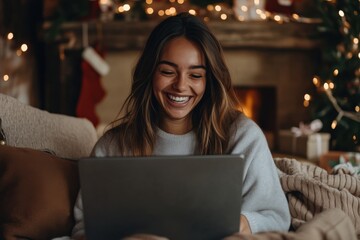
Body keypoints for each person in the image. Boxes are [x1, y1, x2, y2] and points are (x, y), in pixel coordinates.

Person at [71, 12, 291, 239]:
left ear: (209, 80)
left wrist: (244, 223)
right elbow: (84, 227)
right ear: (150, 73)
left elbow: (277, 217)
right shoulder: (113, 147)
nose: (180, 86)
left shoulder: (243, 136)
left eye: (195, 75)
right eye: (167, 72)